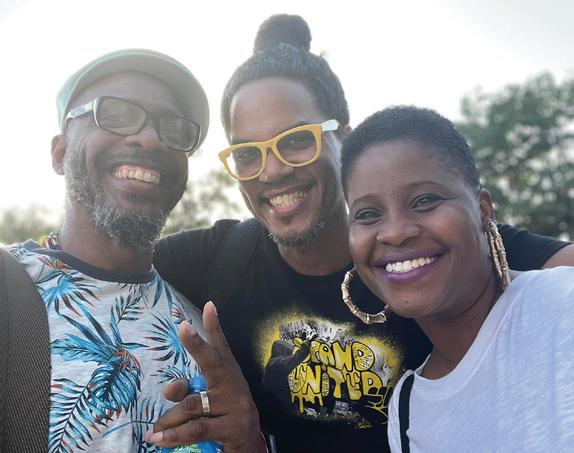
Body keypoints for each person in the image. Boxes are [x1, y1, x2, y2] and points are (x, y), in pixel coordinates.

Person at [151, 15, 574, 453]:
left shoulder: (432, 249)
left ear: (344, 141)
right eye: (247, 153)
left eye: (297, 140)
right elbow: (108, 261)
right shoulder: (220, 261)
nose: (272, 171)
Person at [1, 49, 260, 453]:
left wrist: (250, 442)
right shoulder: (9, 293)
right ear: (60, 153)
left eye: (173, 128)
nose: (150, 138)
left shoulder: (202, 338)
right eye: (117, 115)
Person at [341, 105, 574, 452]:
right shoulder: (406, 408)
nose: (395, 233)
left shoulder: (562, 308)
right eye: (368, 214)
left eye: (424, 200)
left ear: (482, 210)